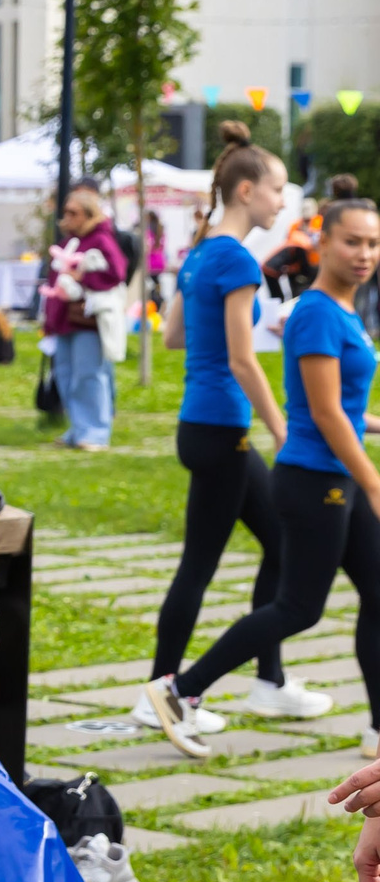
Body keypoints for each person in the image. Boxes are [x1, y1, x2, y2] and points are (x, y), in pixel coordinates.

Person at [144, 187, 380, 757]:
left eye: (373, 243)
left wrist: (373, 424)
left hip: (334, 476)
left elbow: (338, 408)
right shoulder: (318, 313)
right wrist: (373, 482)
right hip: (314, 480)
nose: (364, 253)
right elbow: (322, 414)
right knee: (298, 608)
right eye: (352, 241)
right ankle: (181, 690)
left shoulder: (342, 311)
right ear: (321, 241)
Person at [146, 124, 312, 729]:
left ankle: (268, 680)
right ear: (246, 191)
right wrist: (282, 428)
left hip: (202, 425)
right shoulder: (238, 260)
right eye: (275, 190)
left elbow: (172, 336)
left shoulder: (201, 254)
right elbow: (243, 360)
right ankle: (161, 692)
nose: (280, 201)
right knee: (201, 564)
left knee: (278, 543)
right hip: (224, 429)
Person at [40, 185, 129, 451]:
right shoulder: (70, 240)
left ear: (89, 214)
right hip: (66, 320)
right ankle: (79, 429)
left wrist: (82, 277)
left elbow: (116, 273)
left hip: (87, 321)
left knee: (89, 375)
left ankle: (95, 432)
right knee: (67, 376)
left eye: (73, 212)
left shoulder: (101, 239)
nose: (66, 216)